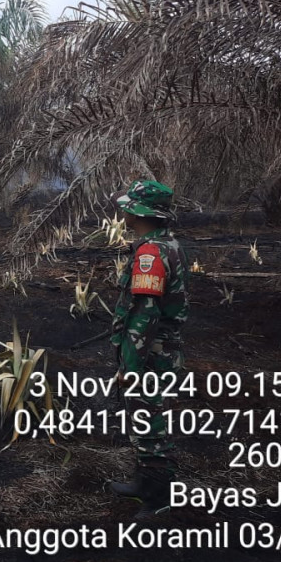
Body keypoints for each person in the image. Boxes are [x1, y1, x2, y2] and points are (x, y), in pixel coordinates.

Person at [107, 180, 190, 519]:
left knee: (151, 425)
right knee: (144, 420)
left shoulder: (151, 254)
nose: (123, 212)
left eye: (128, 207)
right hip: (159, 351)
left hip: (151, 355)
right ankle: (144, 483)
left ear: (139, 212)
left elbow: (145, 313)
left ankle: (158, 499)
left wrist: (130, 365)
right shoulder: (167, 244)